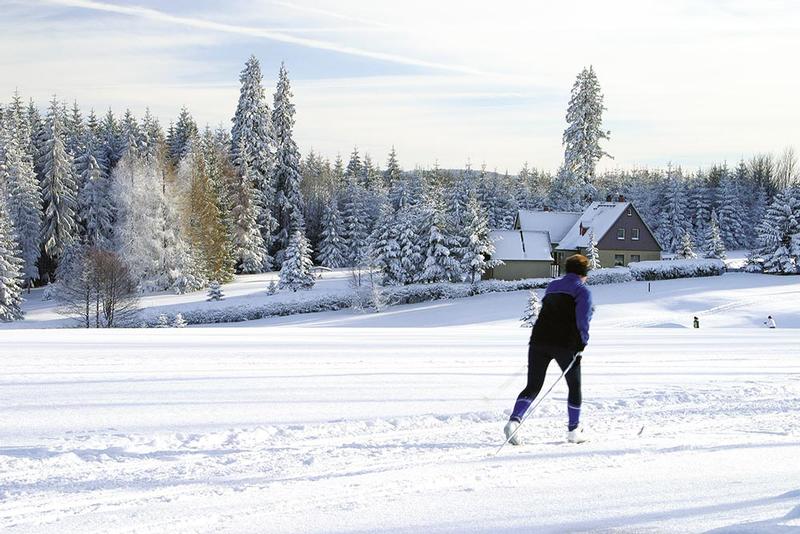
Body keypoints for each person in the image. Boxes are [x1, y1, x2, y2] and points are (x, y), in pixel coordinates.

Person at [504, 254, 594, 445]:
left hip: (538, 340)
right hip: (565, 344)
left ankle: (514, 422)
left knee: (533, 386)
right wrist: (583, 342)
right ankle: (573, 431)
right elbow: (582, 320)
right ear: (583, 272)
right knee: (574, 386)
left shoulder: (553, 286)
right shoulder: (582, 291)